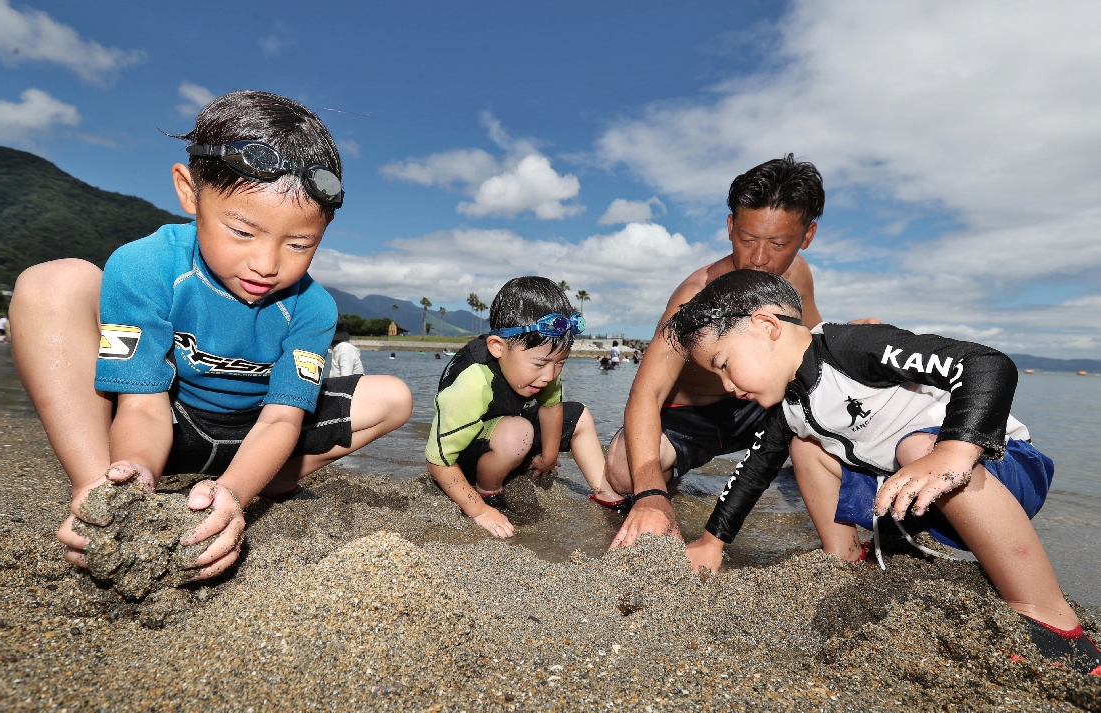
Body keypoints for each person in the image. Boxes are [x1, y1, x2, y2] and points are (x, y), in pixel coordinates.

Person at [9, 90, 413, 581]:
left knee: (393, 396)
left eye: (299, 244)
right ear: (190, 191)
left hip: (257, 433)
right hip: (167, 418)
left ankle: (247, 484)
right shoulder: (145, 265)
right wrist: (134, 474)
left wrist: (236, 494)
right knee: (52, 282)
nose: (266, 264)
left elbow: (281, 419)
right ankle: (101, 492)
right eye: (242, 232)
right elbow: (142, 405)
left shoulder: (314, 307)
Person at [660, 269, 1101, 676]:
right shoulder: (791, 405)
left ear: (766, 326)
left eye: (723, 364)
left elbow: (987, 363)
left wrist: (954, 450)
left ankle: (1049, 616)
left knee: (915, 447)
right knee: (804, 447)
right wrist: (712, 541)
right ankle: (845, 556)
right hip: (919, 505)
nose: (726, 386)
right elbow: (753, 471)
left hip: (1001, 473)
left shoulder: (852, 346)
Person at [607, 154, 877, 548]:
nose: (760, 258)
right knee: (621, 471)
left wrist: (851, 339)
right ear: (731, 226)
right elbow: (646, 392)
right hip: (691, 417)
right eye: (748, 239)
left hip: (760, 408)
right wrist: (649, 493)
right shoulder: (695, 295)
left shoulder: (798, 275)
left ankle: (855, 532)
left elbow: (811, 350)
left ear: (807, 236)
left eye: (778, 243)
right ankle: (668, 485)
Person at [425, 277, 625, 537]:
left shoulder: (544, 370)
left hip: (510, 444)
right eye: (540, 364)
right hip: (465, 460)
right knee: (517, 432)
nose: (549, 375)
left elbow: (551, 409)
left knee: (579, 415)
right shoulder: (472, 382)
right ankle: (488, 491)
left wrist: (548, 458)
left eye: (560, 363)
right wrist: (479, 510)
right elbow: (438, 460)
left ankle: (605, 492)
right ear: (497, 347)